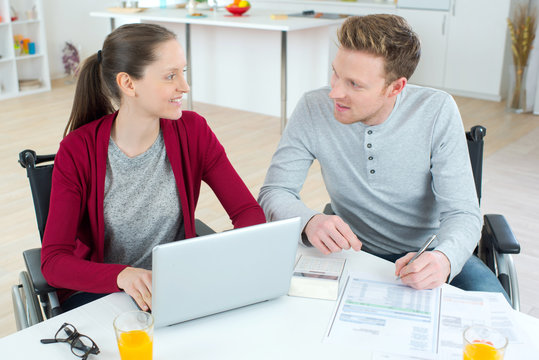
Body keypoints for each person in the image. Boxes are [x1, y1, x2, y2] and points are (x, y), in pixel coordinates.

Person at [258, 14, 508, 298]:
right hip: (348, 250)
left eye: (354, 84)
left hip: (424, 254)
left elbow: (463, 212)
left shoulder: (436, 111)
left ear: (395, 87)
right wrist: (309, 220)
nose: (334, 92)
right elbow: (274, 191)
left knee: (499, 317)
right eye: (335, 73)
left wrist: (444, 258)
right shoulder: (312, 108)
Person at [41, 23, 266, 312]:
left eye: (183, 72)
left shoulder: (194, 131)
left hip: (178, 288)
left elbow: (247, 211)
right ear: (128, 84)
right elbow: (54, 261)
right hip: (107, 296)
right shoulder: (77, 150)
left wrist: (225, 257)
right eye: (170, 76)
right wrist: (122, 275)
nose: (184, 87)